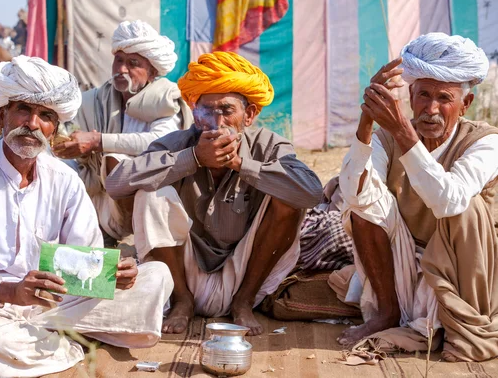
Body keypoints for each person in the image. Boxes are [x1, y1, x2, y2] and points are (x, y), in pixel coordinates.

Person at [0, 56, 173, 377]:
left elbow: (83, 261)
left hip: (50, 304)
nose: (33, 124)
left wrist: (110, 275)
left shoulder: (65, 179)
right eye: (23, 110)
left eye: (46, 115)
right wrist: (9, 291)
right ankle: (65, 342)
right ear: (1, 116)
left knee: (157, 275)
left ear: (55, 128)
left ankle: (39, 340)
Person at [106, 51, 323, 336]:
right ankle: (182, 300)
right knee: (149, 191)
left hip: (246, 272)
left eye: (227, 110)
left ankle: (243, 303)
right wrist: (193, 158)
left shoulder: (270, 145)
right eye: (207, 110)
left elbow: (311, 193)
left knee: (289, 196)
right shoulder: (178, 143)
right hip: (183, 271)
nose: (216, 122)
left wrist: (242, 165)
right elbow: (116, 184)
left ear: (250, 115)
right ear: (195, 114)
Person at [334, 32, 498, 362]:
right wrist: (366, 123)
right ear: (410, 95)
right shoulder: (388, 136)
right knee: (363, 205)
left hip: (465, 271)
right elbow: (352, 194)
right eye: (423, 95)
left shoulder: (486, 142)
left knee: (468, 207)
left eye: (444, 98)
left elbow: (448, 201)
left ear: (465, 104)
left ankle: (459, 325)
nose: (431, 109)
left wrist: (405, 135)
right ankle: (388, 312)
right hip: (406, 265)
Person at [53, 20, 192, 243]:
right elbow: (66, 128)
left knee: (117, 163)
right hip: (99, 197)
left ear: (152, 71)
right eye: (118, 60)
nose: (121, 70)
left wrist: (99, 141)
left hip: (149, 200)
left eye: (132, 63)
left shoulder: (165, 99)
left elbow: (163, 141)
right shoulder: (98, 99)